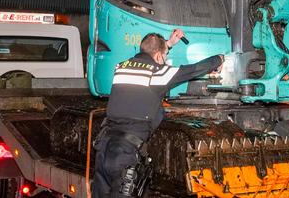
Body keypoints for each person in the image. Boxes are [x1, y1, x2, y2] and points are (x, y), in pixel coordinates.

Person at [92, 29, 223, 197]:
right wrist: (219, 59)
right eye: (165, 56)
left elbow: (151, 55)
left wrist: (167, 44)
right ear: (159, 56)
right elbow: (193, 70)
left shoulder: (122, 67)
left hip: (104, 148)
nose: (165, 60)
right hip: (125, 153)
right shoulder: (158, 72)